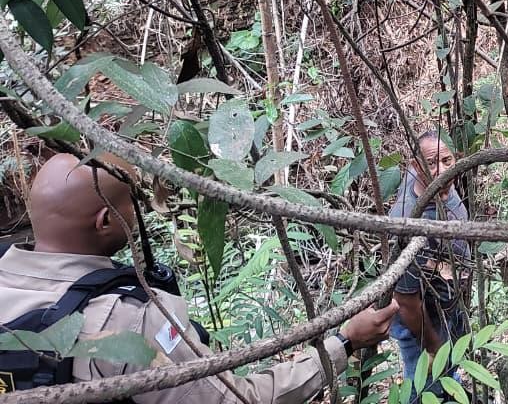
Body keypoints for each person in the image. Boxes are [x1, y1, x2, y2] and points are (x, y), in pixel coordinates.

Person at [0, 153, 396, 402]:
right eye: (133, 205)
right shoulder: (128, 321)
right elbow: (234, 400)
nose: (141, 213)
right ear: (105, 220)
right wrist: (344, 342)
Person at [389, 131, 472, 401]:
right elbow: (405, 300)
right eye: (432, 163)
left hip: (447, 303)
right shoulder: (407, 221)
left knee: (449, 372)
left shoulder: (440, 182)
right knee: (425, 387)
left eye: (447, 160)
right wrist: (433, 347)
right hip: (423, 324)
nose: (443, 170)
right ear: (415, 166)